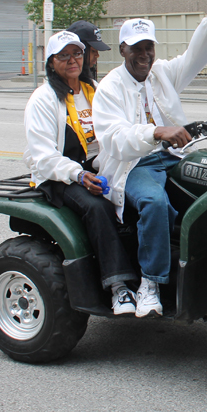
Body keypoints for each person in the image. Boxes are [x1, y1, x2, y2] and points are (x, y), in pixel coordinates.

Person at [92, 0, 207, 318]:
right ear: (123, 49)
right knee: (154, 202)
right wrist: (157, 132)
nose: (145, 55)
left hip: (172, 158)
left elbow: (196, 56)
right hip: (133, 166)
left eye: (149, 48)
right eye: (137, 49)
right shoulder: (110, 87)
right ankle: (150, 283)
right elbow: (114, 140)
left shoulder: (161, 73)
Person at [23, 30, 137, 315]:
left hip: (96, 167)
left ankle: (148, 276)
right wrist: (78, 175)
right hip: (59, 176)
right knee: (97, 207)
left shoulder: (92, 89)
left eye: (76, 53)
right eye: (64, 56)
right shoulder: (43, 99)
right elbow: (43, 155)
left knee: (140, 194)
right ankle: (118, 286)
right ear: (51, 63)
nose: (72, 60)